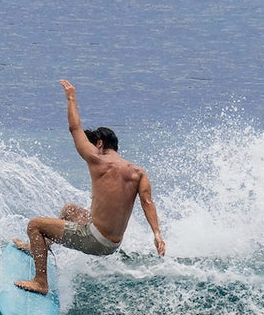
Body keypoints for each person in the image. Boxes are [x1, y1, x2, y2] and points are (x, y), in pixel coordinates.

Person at [13, 80, 166, 295]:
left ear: (100, 144)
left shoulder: (98, 161)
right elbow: (147, 202)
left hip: (94, 239)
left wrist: (71, 98)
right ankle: (40, 248)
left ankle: (41, 282)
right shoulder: (138, 172)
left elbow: (74, 128)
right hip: (113, 244)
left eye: (94, 142)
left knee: (35, 225)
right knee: (69, 210)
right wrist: (157, 234)